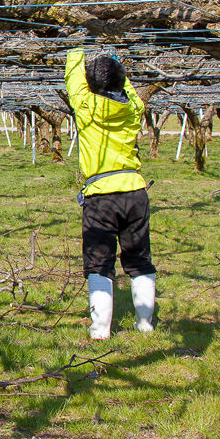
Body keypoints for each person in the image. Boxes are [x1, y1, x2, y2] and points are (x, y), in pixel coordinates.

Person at [65, 45, 157, 340]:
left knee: (99, 262)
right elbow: (127, 86)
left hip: (101, 195)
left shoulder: (86, 106)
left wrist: (75, 48)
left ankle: (100, 330)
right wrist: (115, 58)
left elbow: (73, 76)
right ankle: (145, 325)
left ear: (91, 85)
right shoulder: (133, 108)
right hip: (135, 191)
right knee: (139, 259)